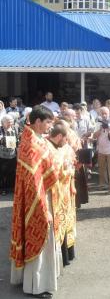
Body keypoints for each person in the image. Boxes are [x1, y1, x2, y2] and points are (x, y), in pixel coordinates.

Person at [10, 105, 60, 298]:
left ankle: (34, 279)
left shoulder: (36, 137)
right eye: (48, 122)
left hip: (43, 195)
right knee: (39, 237)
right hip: (36, 200)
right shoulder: (30, 144)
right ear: (38, 122)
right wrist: (43, 208)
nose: (50, 126)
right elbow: (33, 183)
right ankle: (37, 285)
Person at [47, 123, 77, 267]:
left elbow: (71, 164)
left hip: (66, 192)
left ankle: (68, 253)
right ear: (60, 136)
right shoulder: (51, 149)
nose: (67, 142)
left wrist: (71, 178)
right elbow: (55, 173)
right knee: (59, 223)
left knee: (67, 221)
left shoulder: (65, 148)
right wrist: (69, 171)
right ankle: (62, 257)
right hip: (56, 193)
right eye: (65, 139)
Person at [94, 106, 110, 194]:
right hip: (101, 149)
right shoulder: (98, 123)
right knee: (101, 169)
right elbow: (94, 136)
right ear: (100, 114)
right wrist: (100, 129)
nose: (104, 115)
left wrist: (109, 130)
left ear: (109, 114)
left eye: (106, 113)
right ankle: (103, 185)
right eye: (102, 113)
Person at [0, 114, 19, 195]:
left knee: (11, 172)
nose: (10, 123)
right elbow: (1, 141)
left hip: (12, 154)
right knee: (2, 173)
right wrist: (6, 135)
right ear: (2, 122)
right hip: (2, 155)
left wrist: (18, 154)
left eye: (11, 122)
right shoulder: (0, 129)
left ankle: (10, 187)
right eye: (8, 122)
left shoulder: (15, 128)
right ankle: (3, 189)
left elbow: (17, 142)